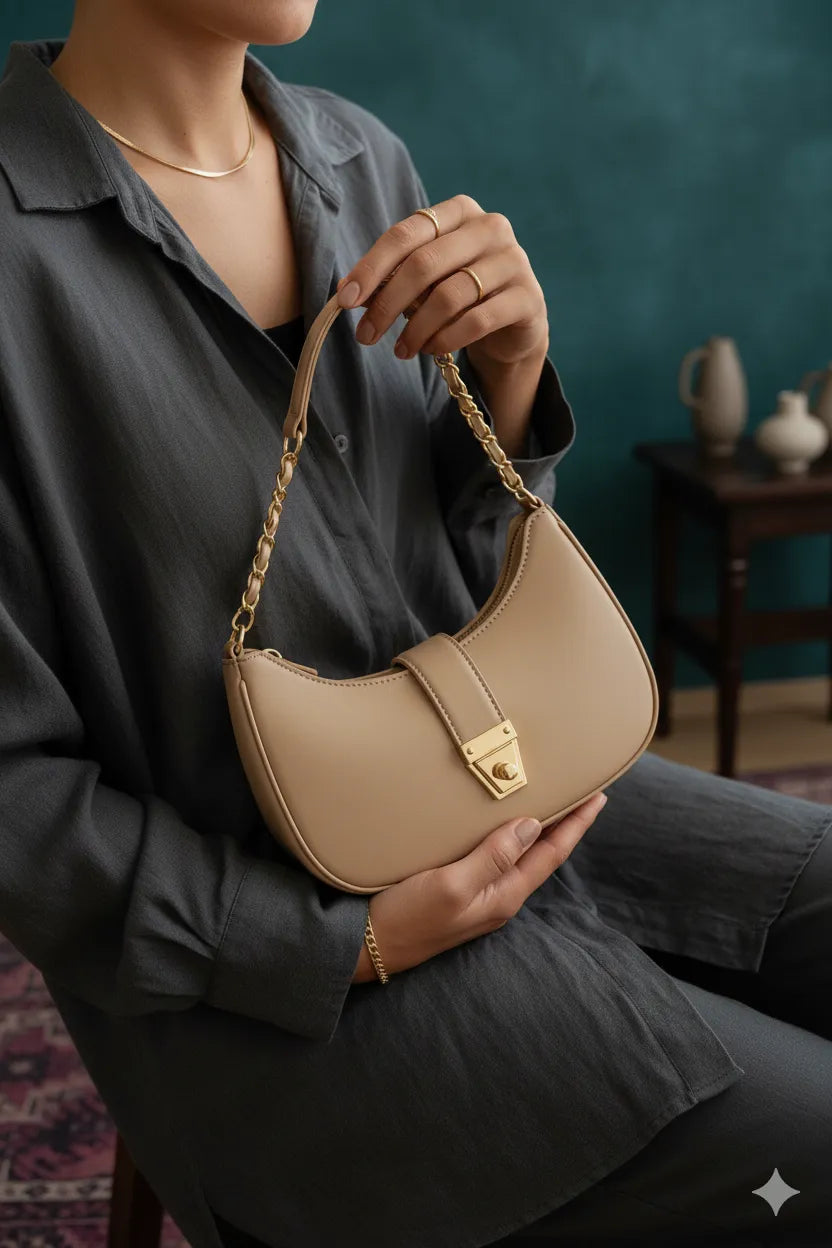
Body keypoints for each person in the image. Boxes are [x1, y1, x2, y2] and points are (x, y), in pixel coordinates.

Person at [0, 3, 830, 1246]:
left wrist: (506, 375)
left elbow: (455, 580)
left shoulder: (356, 158)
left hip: (520, 792)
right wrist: (343, 943)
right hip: (272, 978)